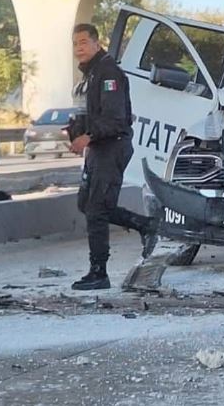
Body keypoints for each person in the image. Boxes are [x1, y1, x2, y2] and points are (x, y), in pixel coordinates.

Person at [69, 23, 159, 291]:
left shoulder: (109, 73)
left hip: (112, 146)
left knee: (96, 209)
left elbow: (115, 119)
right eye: (75, 44)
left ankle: (99, 272)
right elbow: (89, 114)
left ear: (97, 43)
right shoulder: (90, 75)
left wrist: (89, 136)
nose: (79, 48)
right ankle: (145, 225)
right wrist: (75, 131)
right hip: (97, 149)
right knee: (87, 203)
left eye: (84, 42)